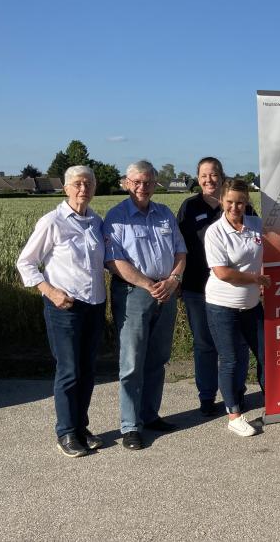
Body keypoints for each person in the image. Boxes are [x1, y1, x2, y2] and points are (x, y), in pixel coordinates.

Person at [16, 165, 107, 457]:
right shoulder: (52, 222)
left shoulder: (96, 221)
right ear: (66, 188)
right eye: (78, 184)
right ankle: (66, 433)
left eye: (89, 184)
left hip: (94, 306)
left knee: (88, 370)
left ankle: (81, 427)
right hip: (64, 307)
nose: (84, 189)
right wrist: (51, 292)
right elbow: (26, 263)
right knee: (69, 371)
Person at [103, 160, 187, 451]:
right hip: (134, 294)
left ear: (155, 183)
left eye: (148, 182)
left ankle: (150, 415)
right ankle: (130, 426)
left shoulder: (164, 214)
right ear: (126, 183)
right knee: (131, 362)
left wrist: (173, 280)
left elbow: (180, 251)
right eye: (136, 182)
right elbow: (114, 261)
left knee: (157, 358)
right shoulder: (115, 217)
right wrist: (147, 285)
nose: (142, 187)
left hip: (166, 291)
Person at [177, 157, 265, 416]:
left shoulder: (245, 211)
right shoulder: (190, 206)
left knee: (236, 348)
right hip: (198, 286)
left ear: (222, 176)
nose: (208, 179)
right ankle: (207, 398)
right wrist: (177, 279)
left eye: (213, 174)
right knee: (205, 346)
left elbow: (263, 242)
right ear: (197, 178)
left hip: (239, 293)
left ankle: (236, 394)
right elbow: (179, 246)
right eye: (203, 175)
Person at [203, 178, 268, 437]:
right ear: (222, 201)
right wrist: (256, 279)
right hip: (223, 305)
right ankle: (234, 416)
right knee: (230, 360)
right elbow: (222, 273)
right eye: (230, 202)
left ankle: (272, 402)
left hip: (251, 305)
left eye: (240, 202)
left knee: (265, 354)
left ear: (247, 202)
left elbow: (266, 256)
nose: (235, 207)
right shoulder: (215, 232)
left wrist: (261, 276)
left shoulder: (255, 225)